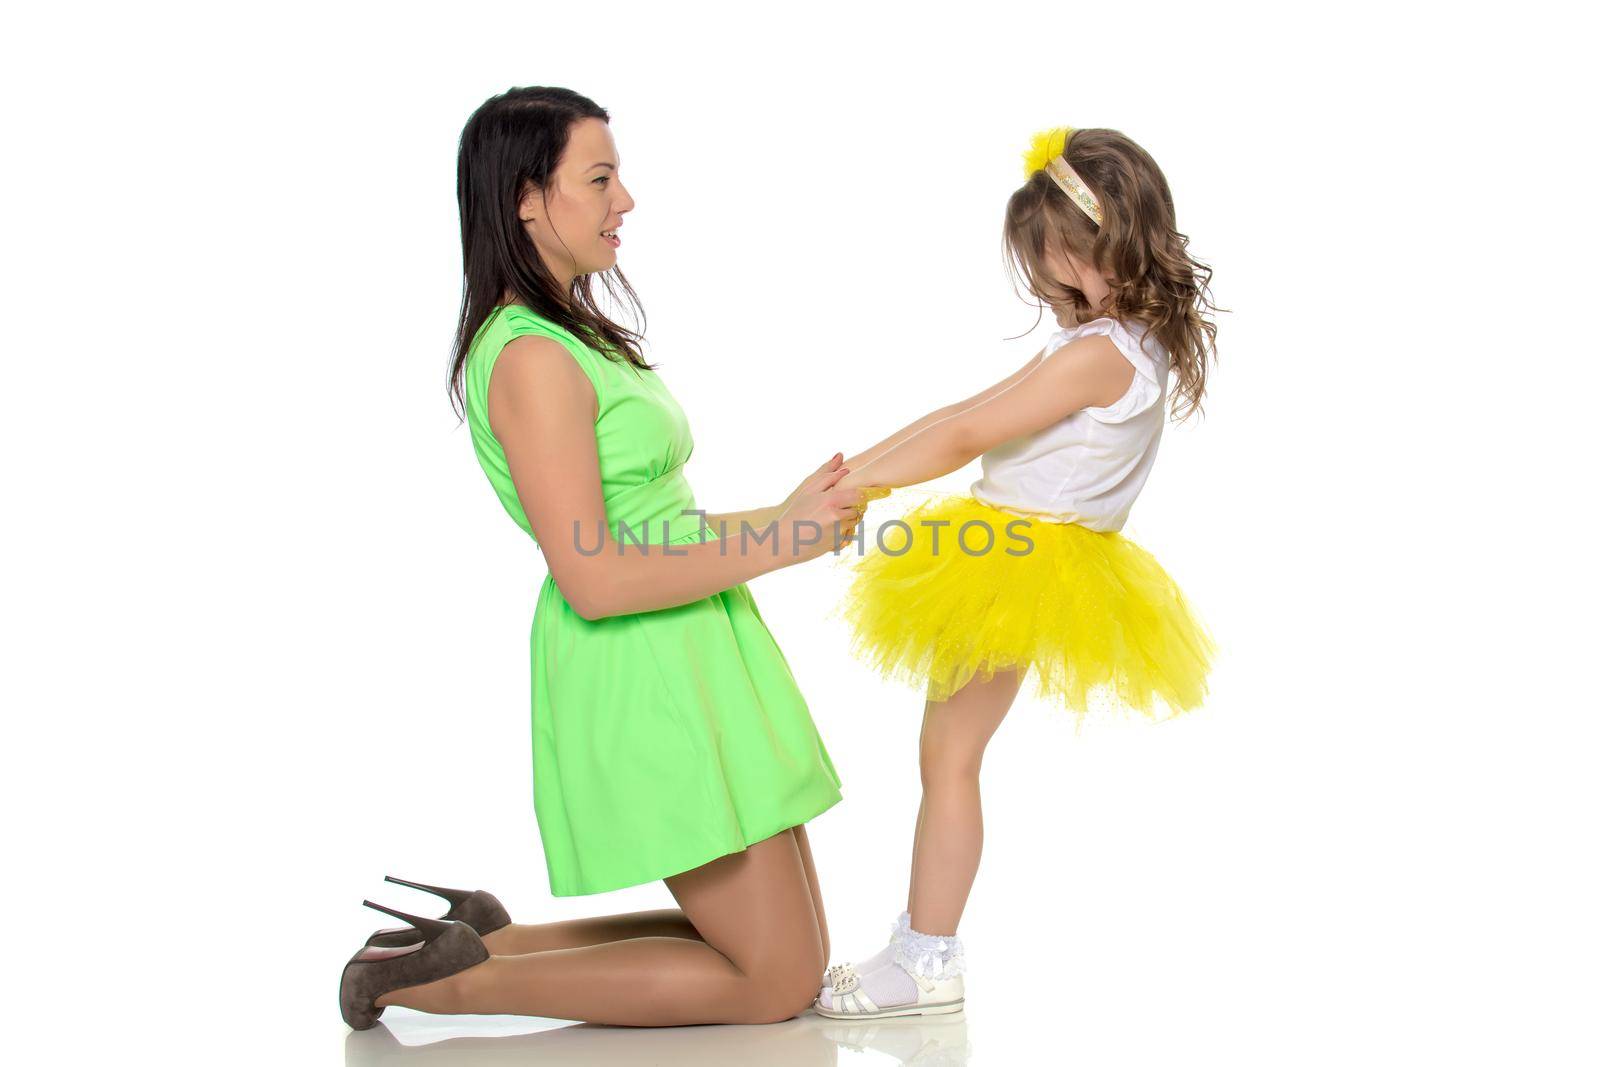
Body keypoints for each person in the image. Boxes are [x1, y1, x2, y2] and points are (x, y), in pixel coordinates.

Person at [338, 86, 872, 1030]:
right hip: (639, 659)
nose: (625, 199)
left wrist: (787, 515)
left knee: (791, 957)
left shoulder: (572, 335)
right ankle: (441, 981)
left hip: (691, 643)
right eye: (600, 177)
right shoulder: (530, 357)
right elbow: (594, 573)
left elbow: (653, 524)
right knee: (775, 979)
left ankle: (483, 942)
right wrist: (780, 543)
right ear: (526, 201)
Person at [813, 126, 1220, 1019]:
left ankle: (926, 956)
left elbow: (968, 436)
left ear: (1103, 242)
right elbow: (966, 409)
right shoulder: (1121, 341)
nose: (1045, 281)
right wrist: (857, 475)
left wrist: (864, 486)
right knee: (948, 755)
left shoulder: (1100, 353)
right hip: (1030, 557)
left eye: (1055, 260)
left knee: (949, 758)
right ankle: (922, 940)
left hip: (1016, 561)